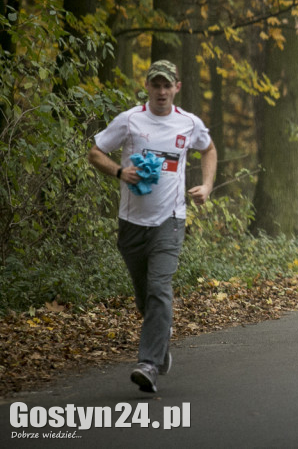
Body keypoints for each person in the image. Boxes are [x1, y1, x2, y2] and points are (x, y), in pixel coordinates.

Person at [87, 60, 217, 393]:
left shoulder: (188, 124)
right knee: (146, 297)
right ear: (147, 87)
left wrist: (206, 186)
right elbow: (95, 152)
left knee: (160, 289)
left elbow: (209, 150)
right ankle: (160, 350)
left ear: (177, 87)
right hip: (131, 223)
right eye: (155, 85)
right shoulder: (130, 120)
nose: (161, 91)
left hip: (169, 221)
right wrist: (119, 171)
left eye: (167, 85)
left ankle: (148, 363)